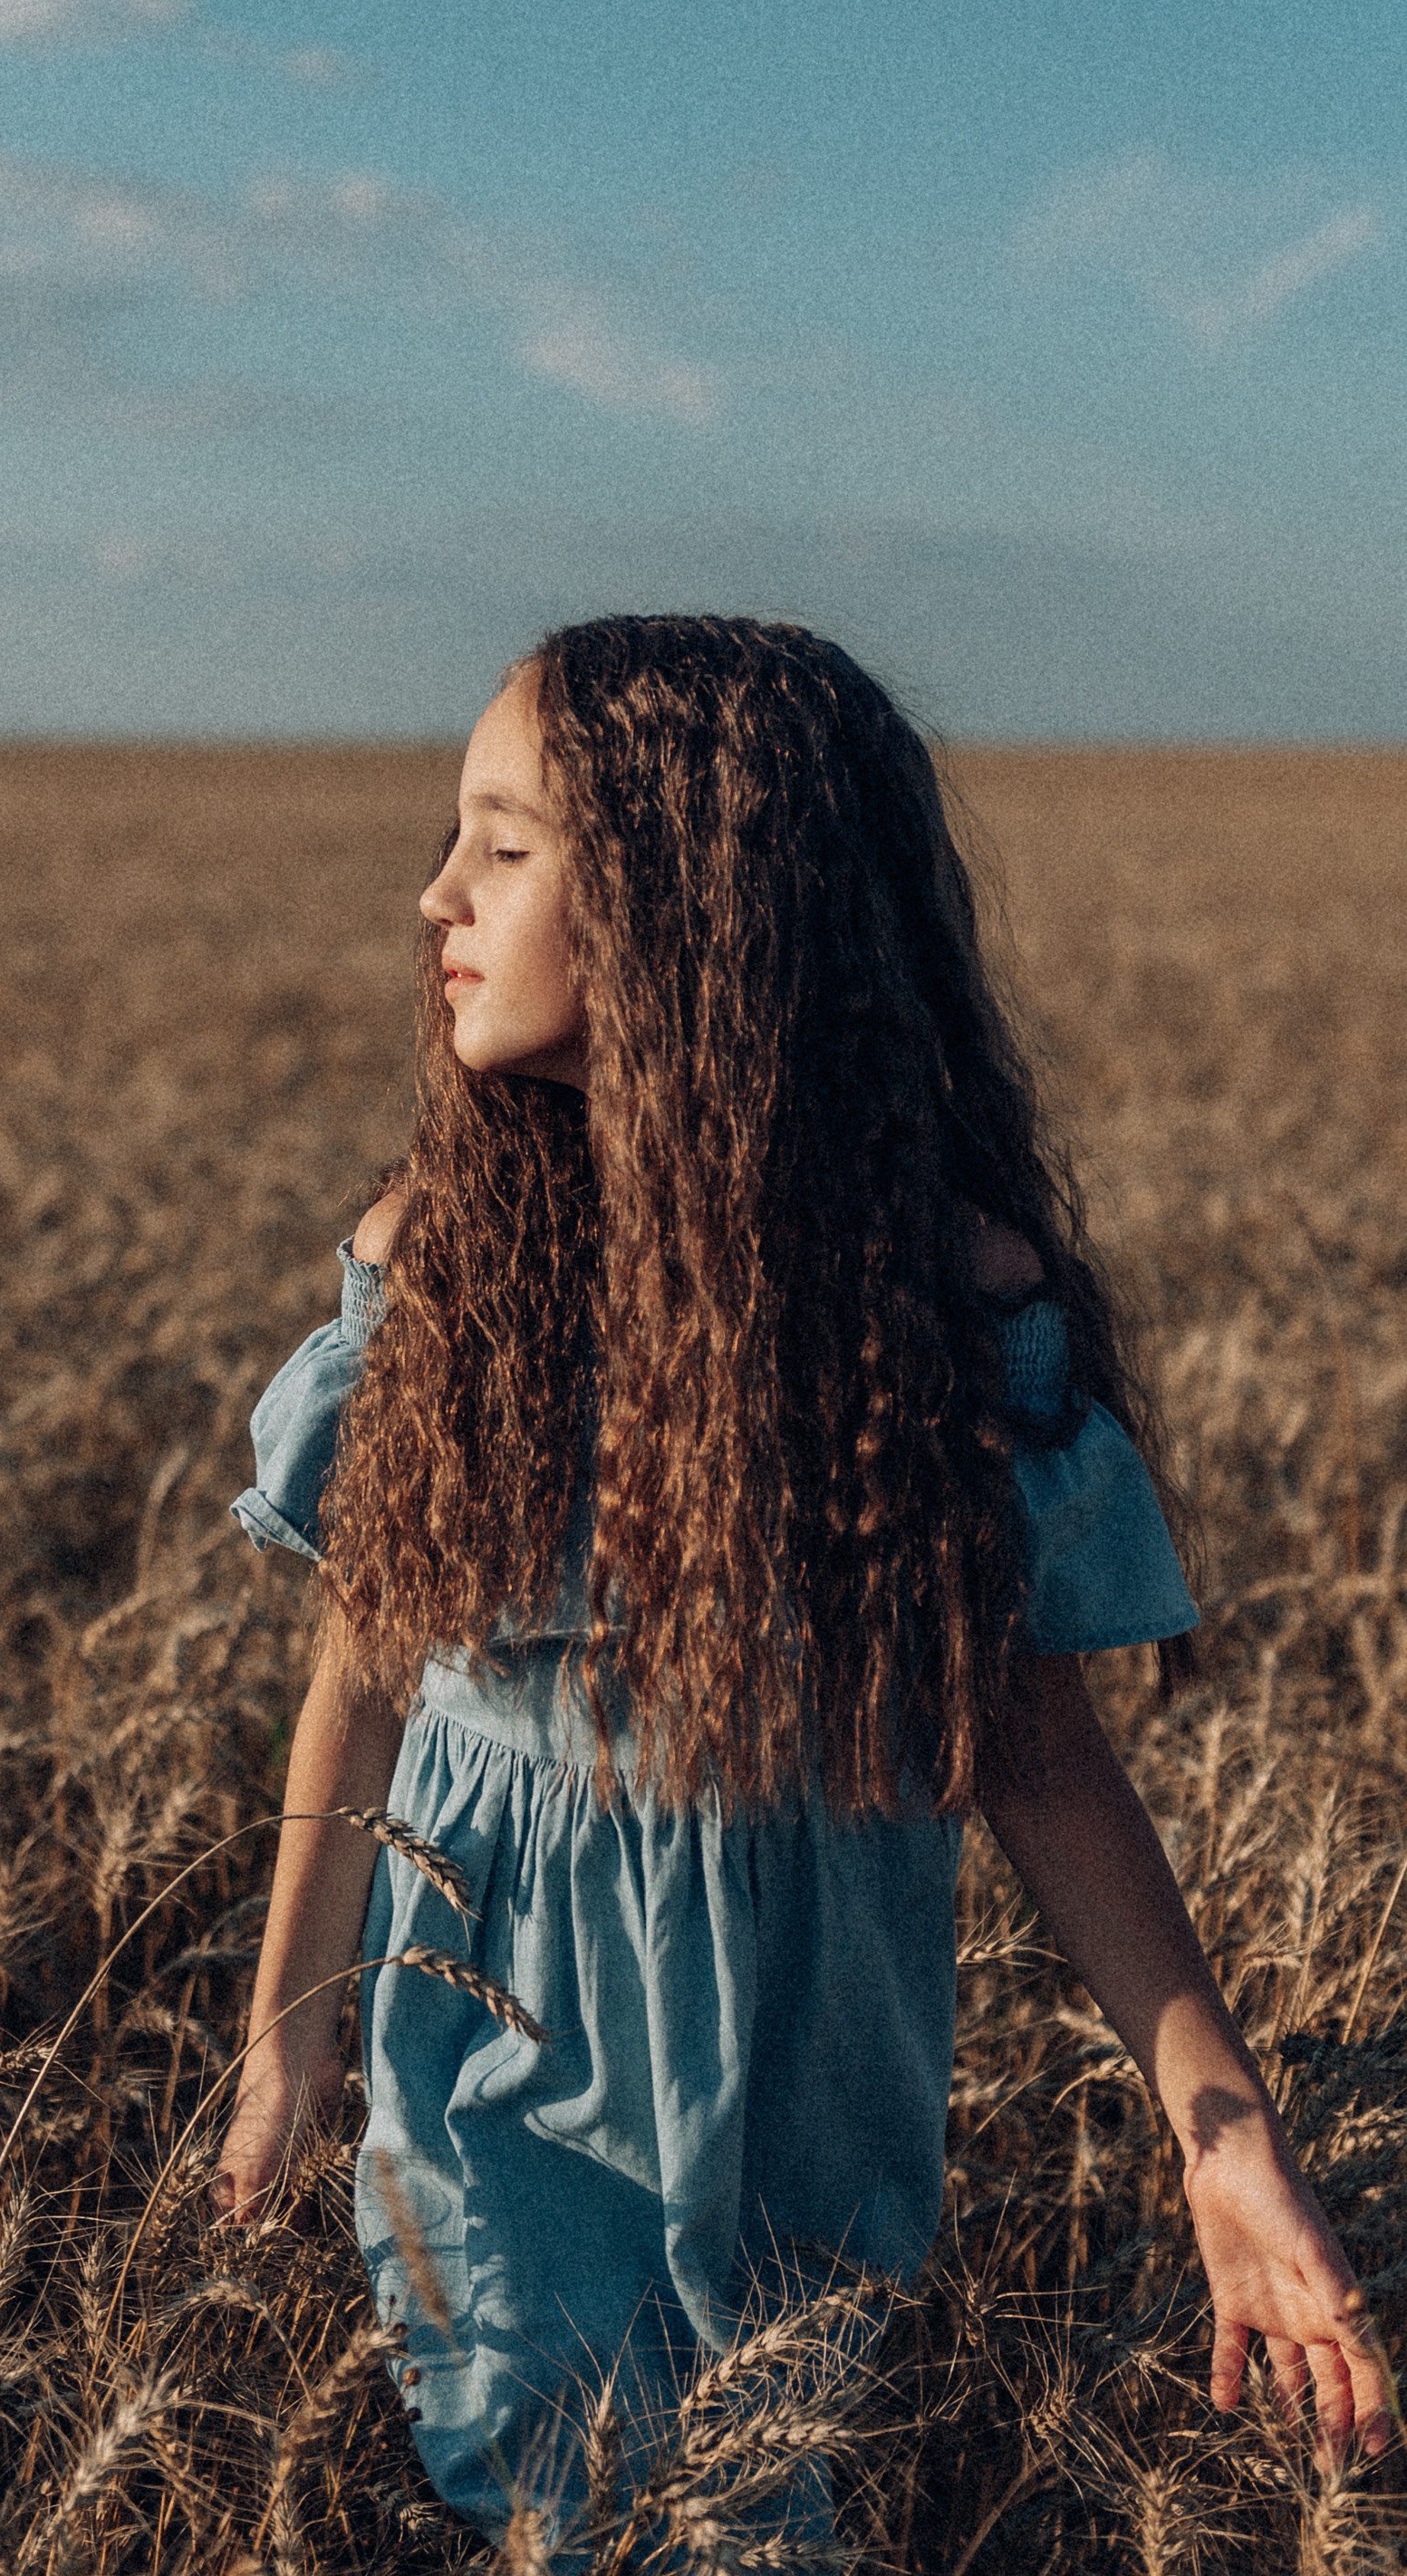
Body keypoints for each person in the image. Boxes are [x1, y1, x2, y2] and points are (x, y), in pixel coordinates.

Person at [214, 616, 1387, 2556]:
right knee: (560, 2499)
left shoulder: (936, 1305)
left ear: (696, 907)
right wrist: (288, 2032)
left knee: (766, 2505)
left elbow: (1033, 1748)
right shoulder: (446, 1270)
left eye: (504, 848)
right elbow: (368, 1660)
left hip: (812, 2055)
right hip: (492, 2018)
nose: (436, 893)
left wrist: (1231, 2143)